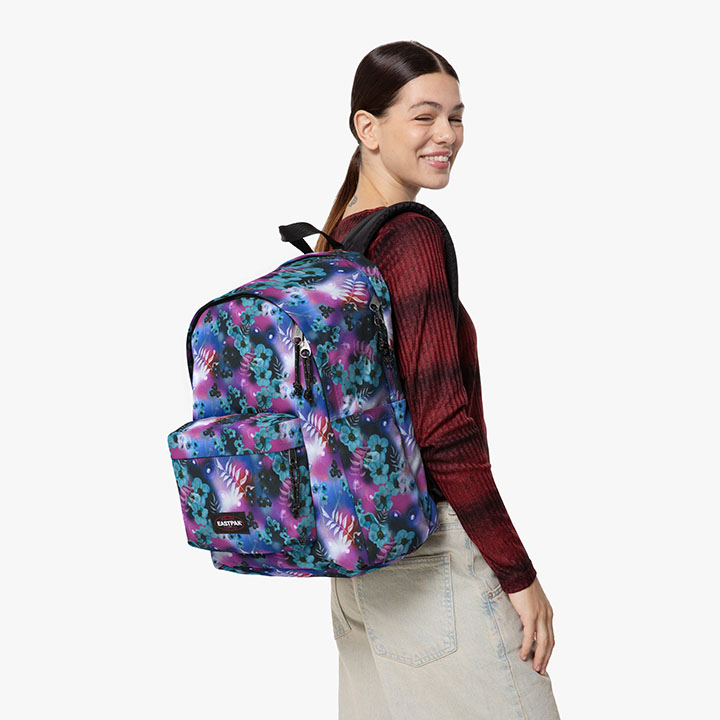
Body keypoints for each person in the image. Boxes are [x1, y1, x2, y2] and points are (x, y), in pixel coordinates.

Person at [313, 41, 562, 719]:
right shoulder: (410, 237)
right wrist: (518, 575)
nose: (446, 135)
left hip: (359, 562)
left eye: (456, 116)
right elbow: (444, 430)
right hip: (434, 561)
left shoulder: (337, 242)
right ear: (368, 128)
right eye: (424, 117)